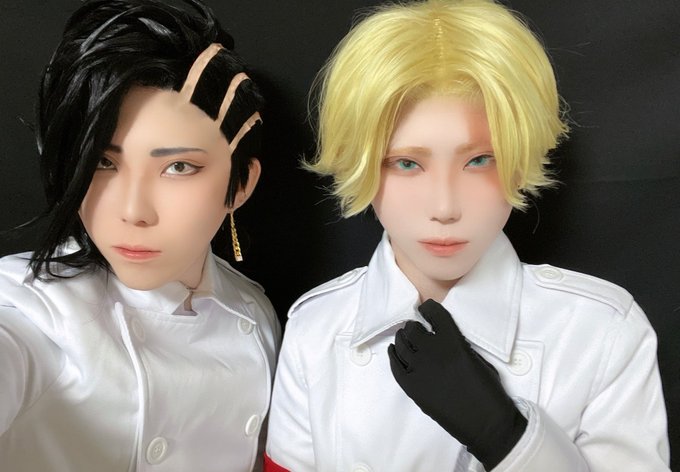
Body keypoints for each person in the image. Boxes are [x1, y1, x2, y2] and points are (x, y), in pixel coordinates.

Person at [264, 0, 669, 470]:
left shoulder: (601, 332)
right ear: (362, 163)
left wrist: (507, 438)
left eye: (479, 160)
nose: (445, 207)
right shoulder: (317, 328)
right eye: (406, 163)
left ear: (519, 156)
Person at [0, 1, 280, 470]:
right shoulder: (29, 308)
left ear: (241, 185)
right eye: (102, 162)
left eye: (178, 167)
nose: (133, 211)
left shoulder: (256, 313)